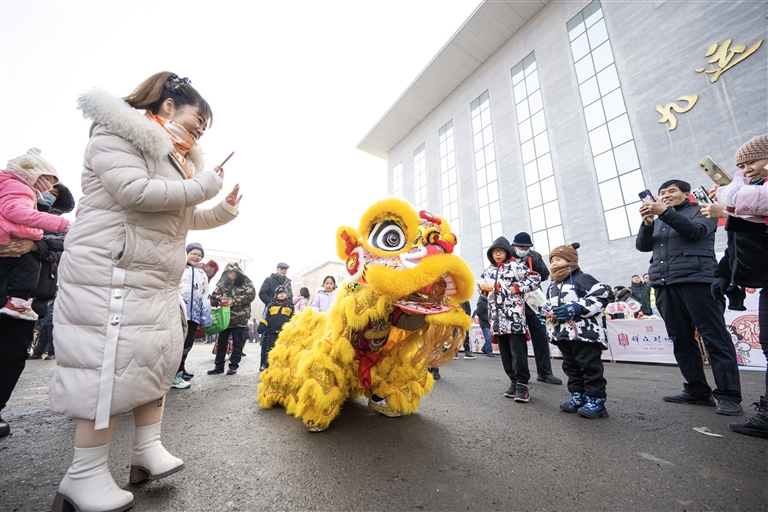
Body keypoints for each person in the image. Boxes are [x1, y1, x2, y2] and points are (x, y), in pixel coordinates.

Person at [49, 72, 241, 512]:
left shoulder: (177, 158)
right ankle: (83, 475)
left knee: (154, 359)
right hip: (111, 272)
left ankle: (146, 450)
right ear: (168, 106)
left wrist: (223, 208)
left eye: (204, 129)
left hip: (150, 278)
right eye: (198, 121)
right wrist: (204, 184)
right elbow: (136, 193)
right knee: (108, 366)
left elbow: (181, 216)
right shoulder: (117, 132)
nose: (199, 132)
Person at [636, 178, 742, 417]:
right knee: (681, 339)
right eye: (662, 193)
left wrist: (663, 212)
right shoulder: (660, 217)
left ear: (686, 193)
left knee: (714, 337)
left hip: (698, 281)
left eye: (671, 191)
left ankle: (729, 395)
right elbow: (643, 247)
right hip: (664, 284)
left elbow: (695, 232)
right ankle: (696, 390)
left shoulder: (703, 209)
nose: (665, 196)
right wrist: (647, 223)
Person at [702, 134, 768, 438]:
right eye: (739, 166)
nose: (746, 169)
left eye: (749, 162)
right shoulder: (752, 192)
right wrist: (723, 274)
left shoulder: (754, 194)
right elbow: (739, 240)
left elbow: (749, 205)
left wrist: (728, 201)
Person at [540, 243, 611, 418]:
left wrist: (576, 308)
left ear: (570, 260)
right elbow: (553, 305)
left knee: (589, 367)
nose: (554, 263)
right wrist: (546, 312)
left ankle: (596, 401)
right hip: (564, 335)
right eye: (552, 260)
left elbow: (603, 296)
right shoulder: (553, 285)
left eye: (559, 259)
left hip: (586, 335)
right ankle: (578, 396)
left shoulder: (583, 279)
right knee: (571, 367)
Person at [0, 148, 71, 320]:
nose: (47, 194)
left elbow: (67, 243)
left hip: (33, 298)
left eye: (53, 193)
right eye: (48, 187)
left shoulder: (51, 219)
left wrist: (35, 245)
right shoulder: (18, 199)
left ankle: (19, 303)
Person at [479, 236, 541, 403]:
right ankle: (513, 382)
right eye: (495, 252)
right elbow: (484, 290)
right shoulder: (488, 270)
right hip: (497, 319)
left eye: (500, 251)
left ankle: (523, 385)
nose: (498, 254)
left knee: (518, 353)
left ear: (507, 252)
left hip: (514, 318)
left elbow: (535, 278)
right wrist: (483, 291)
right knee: (505, 354)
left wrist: (515, 288)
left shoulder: (515, 265)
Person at [510, 232, 562, 384]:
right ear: (514, 246)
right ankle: (519, 376)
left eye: (526, 247)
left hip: (534, 301)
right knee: (517, 340)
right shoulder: (508, 257)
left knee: (540, 336)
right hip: (515, 303)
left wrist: (535, 263)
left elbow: (545, 275)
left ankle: (545, 372)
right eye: (520, 247)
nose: (523, 249)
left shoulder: (535, 256)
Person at [174, 243, 213, 388]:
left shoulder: (202, 274)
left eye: (199, 255)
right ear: (186, 253)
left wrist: (205, 317)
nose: (196, 257)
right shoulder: (178, 269)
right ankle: (172, 374)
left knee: (188, 344)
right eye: (193, 253)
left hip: (194, 315)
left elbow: (205, 296)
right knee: (176, 343)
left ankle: (180, 370)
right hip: (177, 312)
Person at [208, 262, 256, 376]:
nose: (232, 275)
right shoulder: (223, 283)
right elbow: (214, 295)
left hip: (240, 317)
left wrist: (232, 301)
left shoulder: (246, 282)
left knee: (238, 343)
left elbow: (250, 296)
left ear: (238, 273)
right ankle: (218, 366)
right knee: (221, 342)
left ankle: (233, 366)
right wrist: (219, 299)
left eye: (234, 273)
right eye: (229, 272)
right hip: (225, 317)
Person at [258, 262, 292, 364]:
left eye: (285, 269)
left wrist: (289, 306)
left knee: (284, 341)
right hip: (271, 315)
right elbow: (262, 293)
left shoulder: (288, 282)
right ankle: (264, 363)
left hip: (284, 316)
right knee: (267, 340)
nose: (283, 271)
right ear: (277, 269)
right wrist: (273, 305)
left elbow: (290, 297)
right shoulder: (269, 280)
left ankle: (280, 365)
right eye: (281, 269)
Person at [257, 285, 294, 371]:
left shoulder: (290, 307)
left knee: (284, 350)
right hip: (272, 332)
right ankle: (270, 366)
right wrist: (261, 327)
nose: (281, 295)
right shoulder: (270, 306)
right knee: (271, 349)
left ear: (287, 295)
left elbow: (293, 319)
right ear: (275, 295)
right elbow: (265, 317)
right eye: (279, 293)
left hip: (284, 334)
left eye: (283, 293)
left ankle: (283, 367)